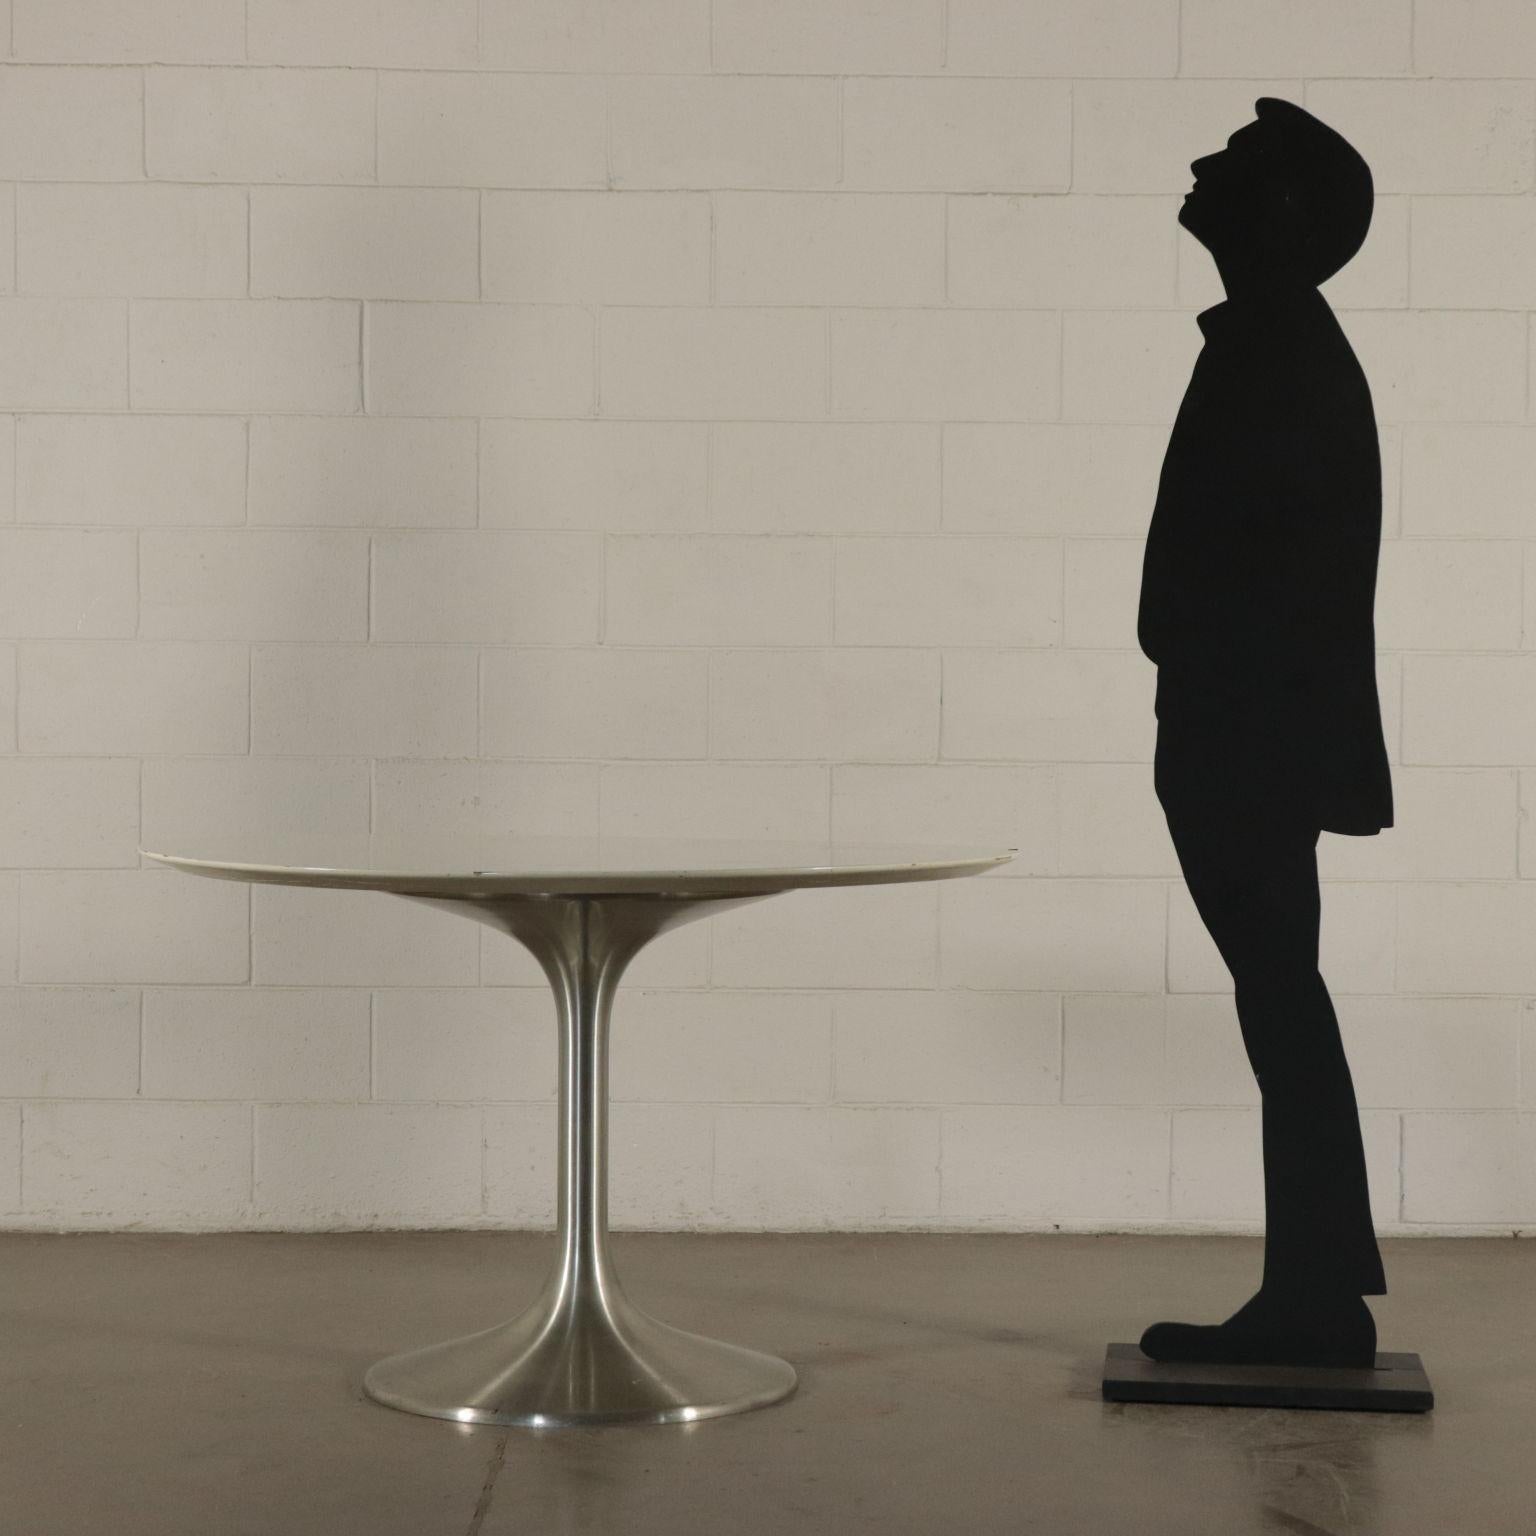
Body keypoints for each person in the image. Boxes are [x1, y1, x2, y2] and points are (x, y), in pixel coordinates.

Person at [1135, 97, 1392, 1368]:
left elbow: (1289, 579)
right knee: (1282, 998)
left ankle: (1317, 1294)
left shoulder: (1281, 352)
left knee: (1281, 998)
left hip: (1250, 739)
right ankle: (1320, 1286)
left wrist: (1215, 698)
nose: (1200, 166)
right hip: (1246, 733)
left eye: (1234, 164)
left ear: (1281, 215)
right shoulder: (1277, 344)